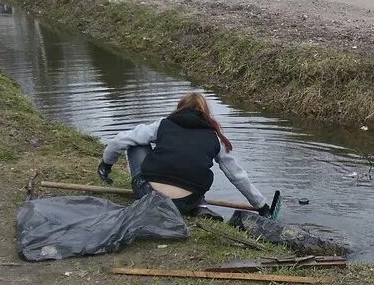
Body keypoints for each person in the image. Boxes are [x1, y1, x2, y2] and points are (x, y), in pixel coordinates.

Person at [96, 92, 271, 218]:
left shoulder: (163, 125)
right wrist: (261, 205)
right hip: (186, 202)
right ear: (206, 114)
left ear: (180, 108)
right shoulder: (214, 137)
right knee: (193, 164)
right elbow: (237, 176)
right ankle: (199, 205)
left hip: (149, 195)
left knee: (136, 144)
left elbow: (119, 141)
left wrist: (106, 165)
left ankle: (178, 202)